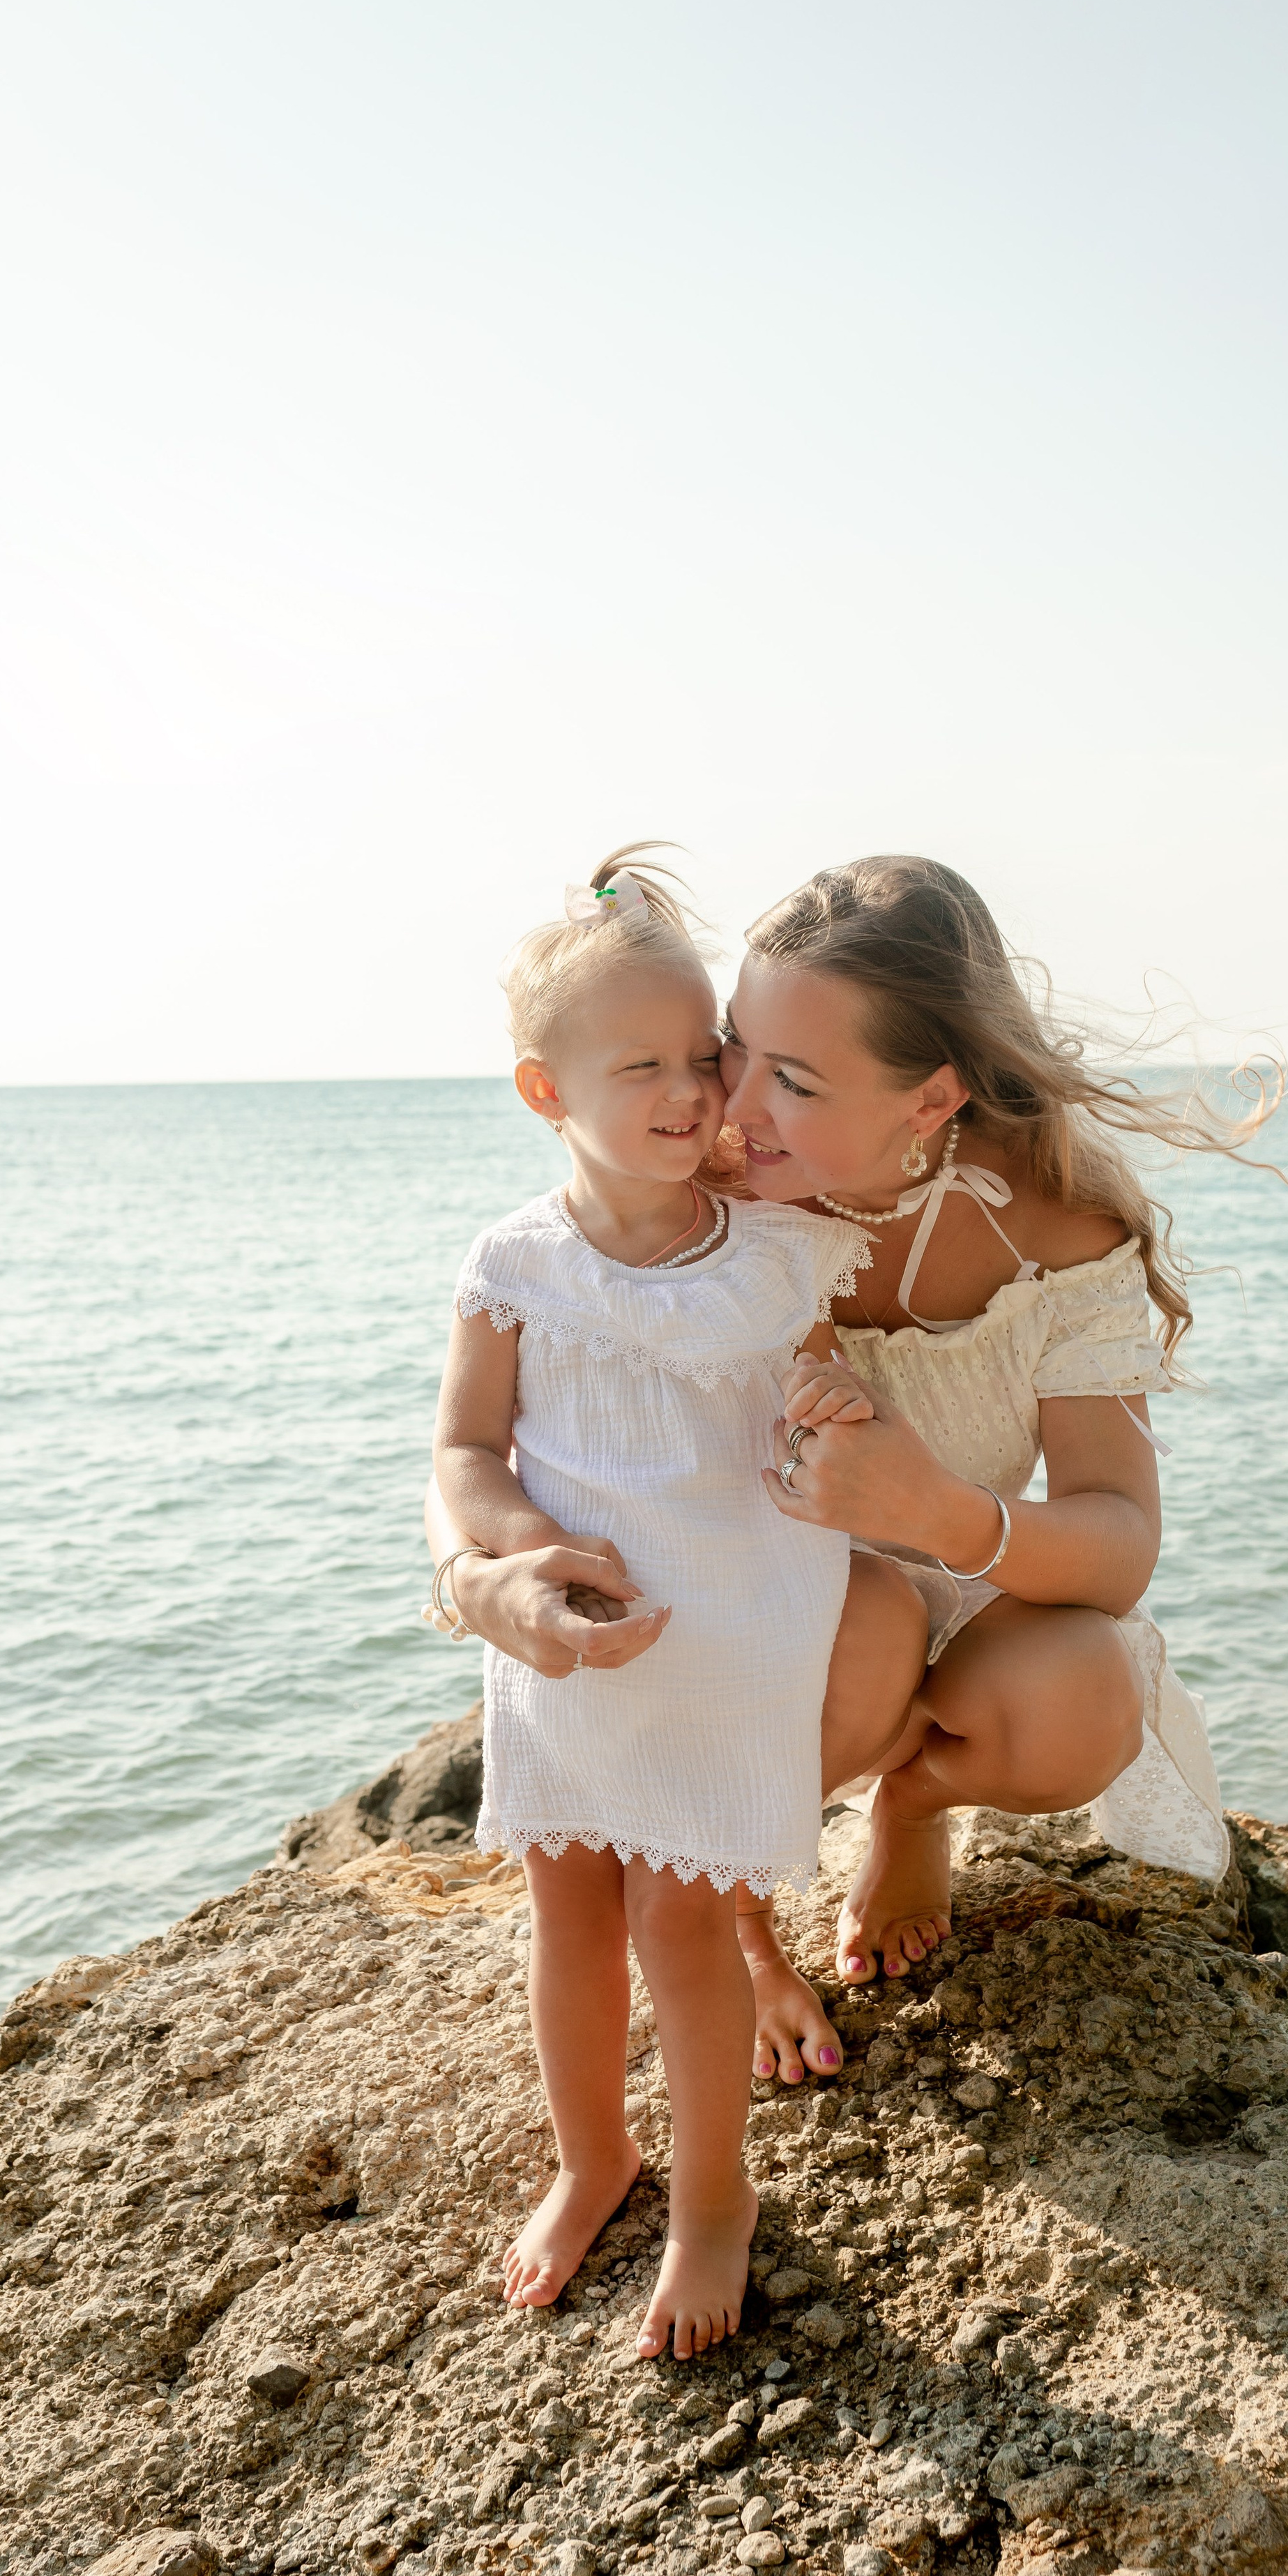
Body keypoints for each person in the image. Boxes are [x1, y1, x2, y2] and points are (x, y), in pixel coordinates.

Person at [436, 854, 1280, 2093]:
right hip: (751, 1616)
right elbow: (489, 1405)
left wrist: (935, 1510)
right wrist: (474, 1578)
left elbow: (1120, 1548)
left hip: (958, 1586)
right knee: (868, 1610)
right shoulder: (697, 1180)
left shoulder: (1057, 1228)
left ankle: (914, 1806)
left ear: (929, 1098)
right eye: (736, 1046)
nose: (729, 1100)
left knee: (1084, 1699)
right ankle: (740, 1923)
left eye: (794, 1078)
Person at [430, 848, 875, 2360]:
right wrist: (527, 1555)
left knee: (681, 1922)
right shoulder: (513, 1265)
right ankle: (592, 2157)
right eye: (644, 1068)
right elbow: (464, 1451)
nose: (693, 1092)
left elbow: (830, 1406)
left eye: (706, 1056)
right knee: (564, 1906)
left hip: (729, 1639)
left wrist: (836, 1401)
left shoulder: (778, 1253)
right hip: (569, 1641)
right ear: (543, 1093)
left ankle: (711, 2197)